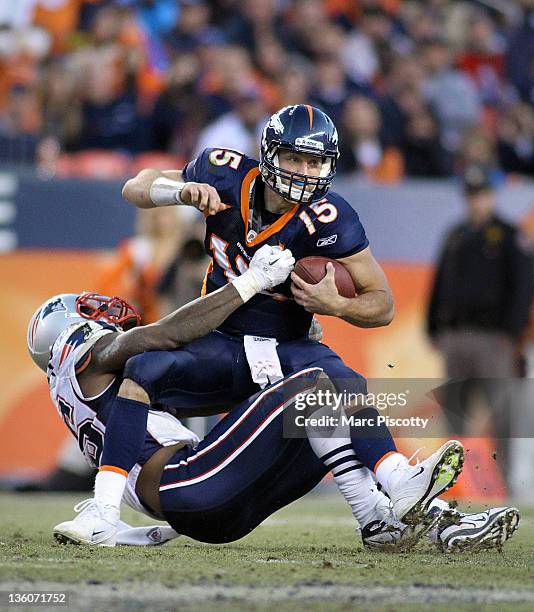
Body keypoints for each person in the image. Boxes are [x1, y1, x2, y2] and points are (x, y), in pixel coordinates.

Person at [120, 103, 465, 530]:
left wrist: (336, 305)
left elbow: (383, 303)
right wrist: (179, 192)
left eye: (315, 161)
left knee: (340, 381)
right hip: (219, 341)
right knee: (139, 368)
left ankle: (396, 480)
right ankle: (103, 503)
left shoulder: (330, 216)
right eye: (294, 158)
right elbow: (136, 186)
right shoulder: (222, 172)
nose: (304, 171)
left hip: (285, 350)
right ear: (269, 154)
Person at [27, 290, 519, 551]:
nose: (106, 317)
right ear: (65, 333)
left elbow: (201, 392)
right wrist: (248, 287)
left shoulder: (87, 393)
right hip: (189, 482)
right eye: (89, 311)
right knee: (315, 382)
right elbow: (160, 337)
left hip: (200, 497)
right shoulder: (79, 357)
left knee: (331, 401)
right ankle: (102, 512)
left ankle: (419, 523)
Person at [427, 164, 534, 472]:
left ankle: (506, 479)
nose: (477, 201)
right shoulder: (455, 234)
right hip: (456, 335)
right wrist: (434, 325)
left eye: (482, 194)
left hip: (492, 338)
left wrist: (511, 333)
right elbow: (440, 282)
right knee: (454, 411)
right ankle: (453, 479)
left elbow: (523, 287)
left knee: (502, 413)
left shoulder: (510, 236)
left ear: (492, 196)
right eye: (472, 195)